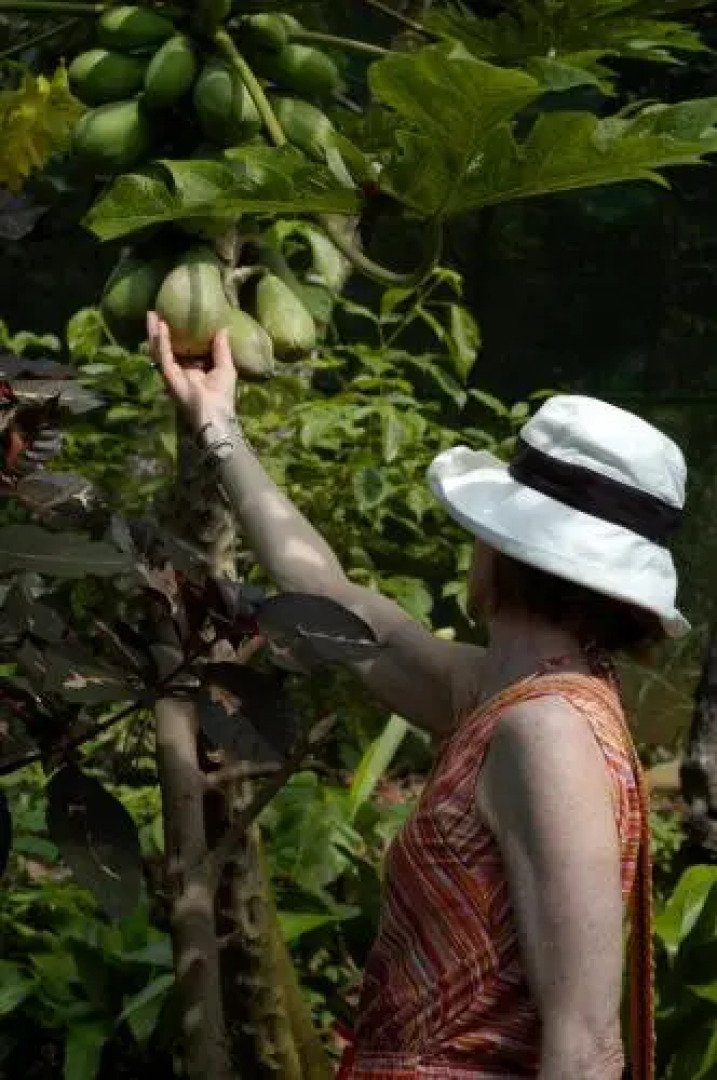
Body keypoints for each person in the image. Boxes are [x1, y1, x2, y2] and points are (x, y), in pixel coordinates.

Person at [148, 313, 688, 1080]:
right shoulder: (504, 698)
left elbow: (586, 1043)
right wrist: (217, 424)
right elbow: (329, 597)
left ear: (507, 547)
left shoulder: (547, 733)